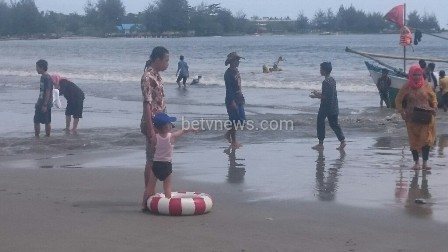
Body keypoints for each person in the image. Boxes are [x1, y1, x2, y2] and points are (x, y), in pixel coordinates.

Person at [140, 46, 170, 211]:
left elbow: (160, 101)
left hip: (161, 121)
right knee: (151, 159)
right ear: (157, 59)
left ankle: (151, 192)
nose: (167, 64)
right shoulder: (148, 77)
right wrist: (151, 130)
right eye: (165, 60)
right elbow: (147, 104)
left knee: (160, 157)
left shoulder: (158, 76)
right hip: (152, 123)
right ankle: (147, 196)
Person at [395, 64, 437, 170]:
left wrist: (435, 106)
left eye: (419, 74)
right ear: (410, 75)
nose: (417, 77)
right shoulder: (406, 87)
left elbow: (433, 97)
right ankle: (416, 163)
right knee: (414, 140)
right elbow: (398, 100)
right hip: (411, 118)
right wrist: (401, 112)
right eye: (415, 75)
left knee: (426, 140)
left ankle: (425, 163)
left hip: (426, 116)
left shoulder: (426, 85)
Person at [146, 112, 197, 199]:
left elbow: (153, 149)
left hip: (156, 164)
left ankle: (148, 201)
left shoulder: (155, 137)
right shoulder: (171, 136)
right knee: (167, 186)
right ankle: (168, 201)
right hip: (167, 164)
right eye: (169, 124)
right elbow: (183, 131)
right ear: (168, 127)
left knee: (151, 185)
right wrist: (191, 129)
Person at [310, 62, 346, 150]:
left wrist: (315, 96)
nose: (320, 71)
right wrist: (317, 93)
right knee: (334, 124)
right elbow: (329, 94)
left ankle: (320, 144)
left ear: (325, 71)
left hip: (325, 106)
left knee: (320, 122)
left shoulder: (325, 82)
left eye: (321, 69)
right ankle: (342, 141)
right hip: (334, 105)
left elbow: (325, 96)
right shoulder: (332, 80)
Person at [224, 52, 246, 148]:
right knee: (234, 120)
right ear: (232, 61)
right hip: (231, 99)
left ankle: (228, 134)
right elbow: (229, 89)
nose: (238, 62)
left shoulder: (236, 71)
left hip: (239, 97)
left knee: (242, 120)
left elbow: (239, 86)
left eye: (238, 60)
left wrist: (241, 95)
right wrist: (232, 101)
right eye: (237, 60)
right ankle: (233, 141)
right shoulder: (228, 73)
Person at [34, 59, 53, 138]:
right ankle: (37, 136)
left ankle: (46, 136)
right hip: (41, 101)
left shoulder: (47, 78)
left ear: (42, 67)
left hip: (46, 103)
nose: (36, 69)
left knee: (46, 121)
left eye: (37, 67)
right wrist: (38, 101)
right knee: (36, 120)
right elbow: (41, 91)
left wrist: (45, 104)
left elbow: (48, 91)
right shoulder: (42, 77)